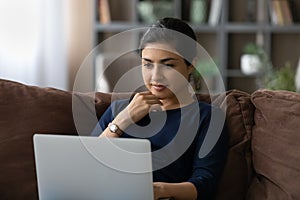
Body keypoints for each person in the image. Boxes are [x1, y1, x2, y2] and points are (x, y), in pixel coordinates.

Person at [95, 17, 228, 200]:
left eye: (168, 65)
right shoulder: (119, 109)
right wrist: (122, 121)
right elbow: (86, 164)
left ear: (191, 65)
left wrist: (158, 190)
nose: (155, 76)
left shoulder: (208, 117)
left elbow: (205, 183)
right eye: (147, 64)